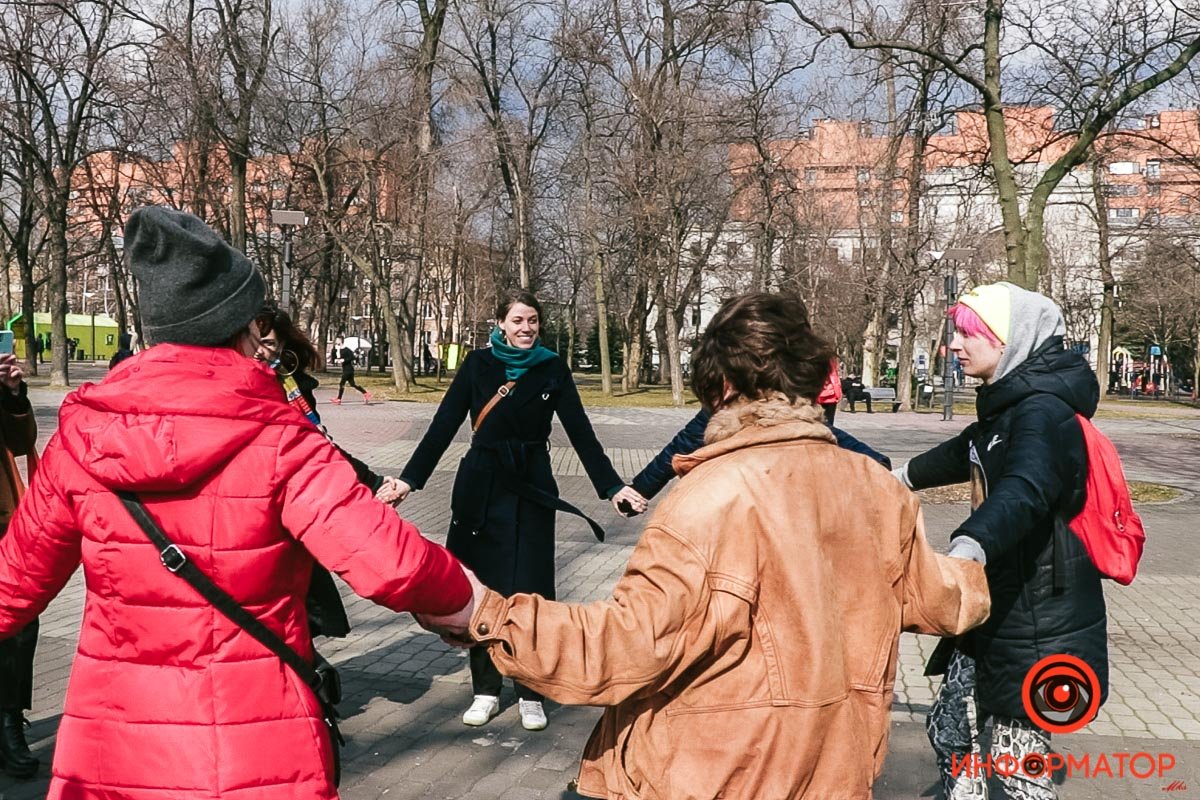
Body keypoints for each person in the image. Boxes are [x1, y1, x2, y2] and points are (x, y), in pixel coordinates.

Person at [421, 292, 990, 799]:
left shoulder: (710, 496)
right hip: (838, 770)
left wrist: (491, 615)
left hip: (715, 771)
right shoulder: (877, 488)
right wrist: (990, 548)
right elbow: (946, 601)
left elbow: (629, 644)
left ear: (720, 386)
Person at [0, 206, 475, 800]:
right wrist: (468, 605)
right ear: (243, 326)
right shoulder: (281, 437)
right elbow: (392, 563)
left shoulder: (82, 438)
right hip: (258, 753)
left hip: (113, 753)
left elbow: (11, 587)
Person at [891, 282, 1107, 800]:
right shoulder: (1010, 406)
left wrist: (971, 543)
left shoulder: (1042, 411)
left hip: (1037, 616)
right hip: (1000, 604)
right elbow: (967, 450)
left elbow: (1026, 488)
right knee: (951, 727)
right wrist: (895, 478)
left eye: (969, 334)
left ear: (1011, 341)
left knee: (1017, 765)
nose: (954, 345)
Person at [393, 289, 646, 732]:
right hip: (482, 488)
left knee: (532, 591)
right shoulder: (478, 365)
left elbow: (581, 433)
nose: (526, 328)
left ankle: (531, 692)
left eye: (532, 320)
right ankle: (486, 690)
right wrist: (409, 480)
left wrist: (612, 488)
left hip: (532, 488)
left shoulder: (551, 368)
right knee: (481, 590)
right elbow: (442, 427)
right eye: (517, 320)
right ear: (501, 324)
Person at [251, 304, 407, 646]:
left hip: (287, 505)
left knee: (297, 604)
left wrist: (373, 481)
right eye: (255, 341)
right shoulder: (237, 387)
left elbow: (319, 445)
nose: (261, 351)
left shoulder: (290, 386)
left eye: (270, 343)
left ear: (283, 346)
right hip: (249, 508)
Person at [618, 386, 891, 515]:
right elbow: (679, 447)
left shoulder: (788, 410)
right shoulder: (721, 410)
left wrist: (875, 466)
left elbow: (831, 436)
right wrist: (638, 491)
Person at [0, 350, 39, 779]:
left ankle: (10, 719)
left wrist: (12, 393)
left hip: (4, 519)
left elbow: (22, 442)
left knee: (20, 621)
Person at [817, 357, 842, 425]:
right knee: (830, 419)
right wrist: (838, 395)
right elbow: (835, 382)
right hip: (831, 397)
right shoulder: (832, 367)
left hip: (818, 396)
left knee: (818, 419)